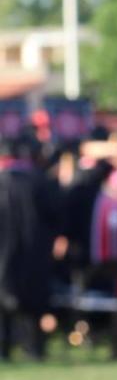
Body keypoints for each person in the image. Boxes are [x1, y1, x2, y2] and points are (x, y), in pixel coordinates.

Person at [0, 137, 57, 360]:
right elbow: (54, 217)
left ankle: (3, 350)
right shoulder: (39, 181)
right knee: (33, 303)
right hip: (35, 251)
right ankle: (34, 348)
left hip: (2, 252)